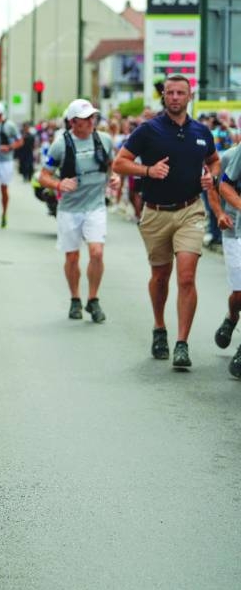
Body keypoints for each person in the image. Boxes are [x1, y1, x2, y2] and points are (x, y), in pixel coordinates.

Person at [112, 74, 225, 368]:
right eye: (170, 92)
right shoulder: (148, 130)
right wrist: (148, 171)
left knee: (186, 277)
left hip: (191, 210)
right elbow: (119, 162)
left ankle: (182, 343)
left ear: (190, 96)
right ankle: (159, 327)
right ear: (164, 96)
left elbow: (214, 160)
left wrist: (211, 176)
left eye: (180, 93)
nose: (175, 97)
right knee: (161, 276)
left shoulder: (201, 131)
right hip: (156, 212)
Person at [38, 99, 118, 323]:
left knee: (97, 252)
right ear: (73, 122)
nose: (91, 121)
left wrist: (114, 177)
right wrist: (58, 184)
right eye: (86, 118)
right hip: (70, 209)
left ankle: (93, 299)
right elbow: (43, 175)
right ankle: (75, 298)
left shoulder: (104, 140)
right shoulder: (60, 144)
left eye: (92, 117)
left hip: (95, 206)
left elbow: (113, 164)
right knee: (72, 257)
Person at [214, 143, 241, 377]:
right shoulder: (232, 155)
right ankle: (232, 316)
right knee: (240, 294)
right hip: (235, 230)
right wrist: (220, 213)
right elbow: (219, 186)